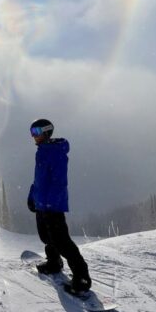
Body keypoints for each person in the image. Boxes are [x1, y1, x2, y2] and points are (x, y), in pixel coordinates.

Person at [27, 118, 92, 294]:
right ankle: (53, 262)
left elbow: (59, 182)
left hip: (52, 205)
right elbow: (39, 179)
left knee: (62, 241)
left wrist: (49, 203)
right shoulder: (42, 151)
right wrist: (32, 196)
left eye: (37, 132)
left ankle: (82, 277)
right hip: (42, 203)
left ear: (47, 132)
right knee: (47, 237)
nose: (34, 136)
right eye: (32, 132)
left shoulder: (56, 152)